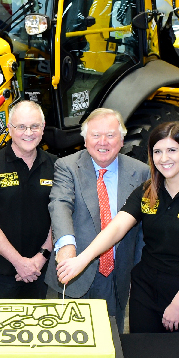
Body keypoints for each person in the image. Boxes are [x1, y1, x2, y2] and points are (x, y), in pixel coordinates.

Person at [56, 121, 179, 358]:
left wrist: (177, 304)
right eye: (157, 151)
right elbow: (117, 228)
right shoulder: (148, 190)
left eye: (172, 150)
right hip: (146, 291)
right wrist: (82, 259)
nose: (164, 158)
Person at [46, 108, 148, 321]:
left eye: (110, 135)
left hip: (117, 277)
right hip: (73, 273)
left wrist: (138, 272)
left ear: (122, 140)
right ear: (85, 140)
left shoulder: (141, 172)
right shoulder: (67, 167)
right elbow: (60, 204)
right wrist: (66, 246)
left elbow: (142, 230)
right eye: (95, 135)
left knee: (111, 337)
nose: (103, 142)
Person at [0, 100, 56, 299]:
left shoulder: (56, 166)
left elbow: (60, 217)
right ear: (10, 129)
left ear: (43, 128)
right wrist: (19, 262)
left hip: (40, 268)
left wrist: (42, 257)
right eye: (21, 127)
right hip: (0, 272)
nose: (28, 132)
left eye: (34, 126)